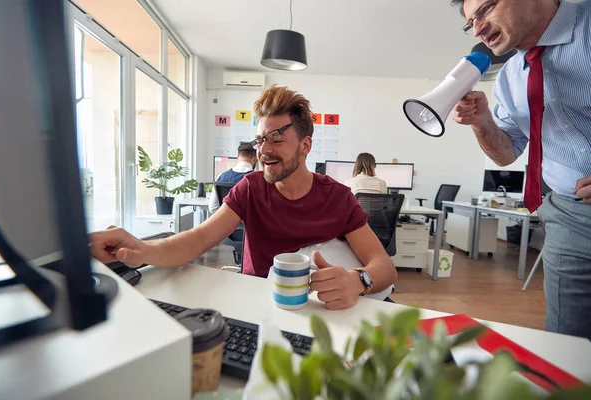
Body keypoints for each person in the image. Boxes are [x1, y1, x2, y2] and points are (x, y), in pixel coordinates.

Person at [90, 85, 397, 310]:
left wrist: (359, 281)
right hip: (257, 305)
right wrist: (141, 249)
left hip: (319, 311)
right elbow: (197, 240)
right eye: (260, 139)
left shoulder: (338, 197)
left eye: (276, 138)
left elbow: (384, 265)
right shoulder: (250, 188)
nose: (264, 150)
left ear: (305, 146)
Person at [450, 0, 591, 338]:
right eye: (471, 23)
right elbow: (505, 154)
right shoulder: (510, 78)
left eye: (485, 9)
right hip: (570, 216)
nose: (479, 28)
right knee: (567, 342)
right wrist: (481, 121)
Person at [208, 142, 257, 214]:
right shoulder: (257, 179)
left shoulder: (221, 177)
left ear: (238, 156)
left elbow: (213, 208)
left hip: (227, 224)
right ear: (254, 159)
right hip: (249, 224)